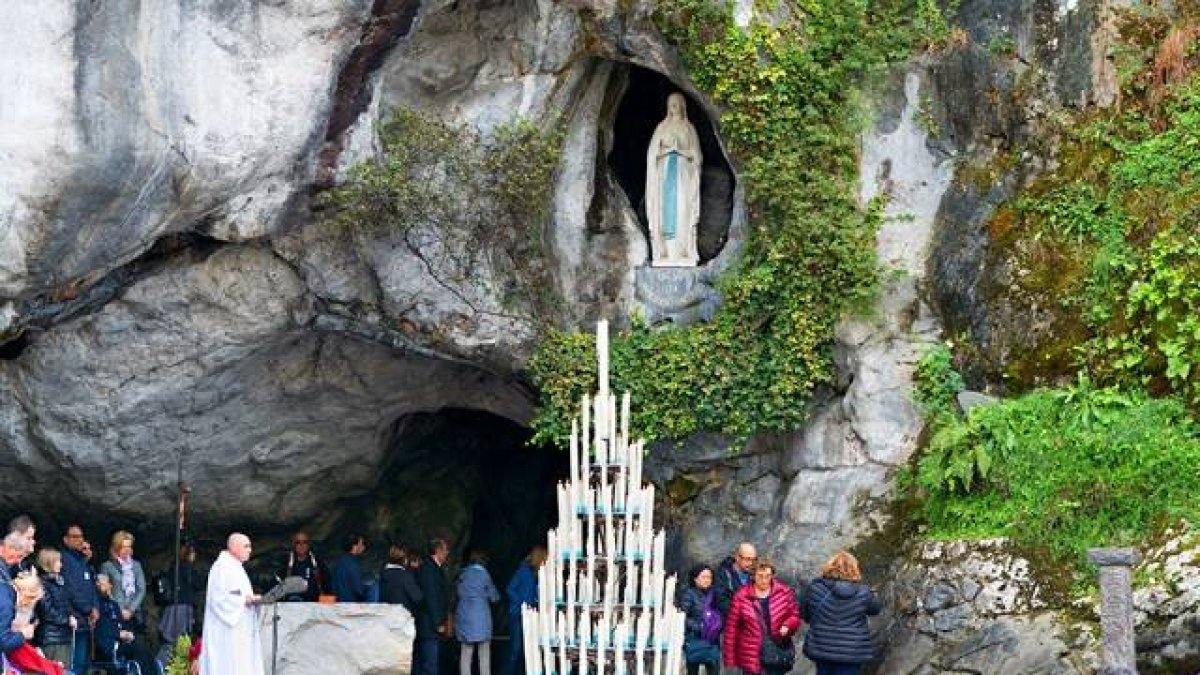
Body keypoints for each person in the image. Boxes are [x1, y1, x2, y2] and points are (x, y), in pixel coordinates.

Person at [800, 551, 881, 675]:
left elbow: (805, 614)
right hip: (851, 651)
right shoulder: (864, 592)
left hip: (822, 647)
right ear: (854, 568)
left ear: (829, 567)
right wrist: (873, 594)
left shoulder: (814, 588)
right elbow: (875, 609)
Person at [645, 91, 702, 267]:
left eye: (677, 104)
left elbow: (697, 156)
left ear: (683, 106)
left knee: (683, 210)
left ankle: (684, 251)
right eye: (671, 104)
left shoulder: (689, 128)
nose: (674, 107)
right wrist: (666, 152)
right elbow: (652, 154)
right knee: (665, 212)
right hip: (664, 177)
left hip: (683, 175)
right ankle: (666, 253)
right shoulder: (661, 128)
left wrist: (680, 151)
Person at [722, 560, 801, 675]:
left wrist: (788, 625)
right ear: (753, 576)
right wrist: (730, 661)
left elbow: (794, 615)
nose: (764, 580)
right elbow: (731, 630)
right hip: (752, 655)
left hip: (776, 651)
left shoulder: (784, 592)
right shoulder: (741, 596)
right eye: (760, 576)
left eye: (768, 576)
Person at [200, 533, 263, 675]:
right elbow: (218, 598)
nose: (250, 550)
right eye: (246, 546)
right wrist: (244, 600)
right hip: (227, 632)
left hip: (241, 630)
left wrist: (253, 600)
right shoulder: (222, 567)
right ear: (234, 547)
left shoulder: (236, 567)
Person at [95, 572, 156, 675]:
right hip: (108, 644)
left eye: (106, 584)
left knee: (144, 647)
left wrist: (128, 633)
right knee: (138, 648)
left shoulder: (114, 605)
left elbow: (122, 624)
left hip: (121, 642)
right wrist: (118, 633)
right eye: (102, 584)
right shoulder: (97, 605)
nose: (106, 587)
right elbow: (101, 627)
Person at [502, 545, 547, 675]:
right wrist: (524, 603)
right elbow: (510, 589)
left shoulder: (536, 573)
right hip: (517, 614)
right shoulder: (523, 570)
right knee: (515, 650)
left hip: (530, 615)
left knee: (526, 649)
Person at [59, 524, 98, 675]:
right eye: (74, 537)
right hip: (74, 619)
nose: (79, 540)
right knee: (73, 664)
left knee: (82, 664)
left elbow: (91, 586)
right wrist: (89, 609)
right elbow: (71, 589)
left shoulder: (82, 561)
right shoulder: (64, 559)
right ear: (66, 540)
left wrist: (95, 608)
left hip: (87, 622)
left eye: (81, 537)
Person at [455, 549, 500, 675]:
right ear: (483, 562)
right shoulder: (484, 575)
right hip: (481, 618)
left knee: (466, 652)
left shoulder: (462, 574)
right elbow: (494, 596)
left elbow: (458, 592)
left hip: (464, 616)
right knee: (484, 652)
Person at [413, 538, 451, 675]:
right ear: (438, 551)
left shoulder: (433, 568)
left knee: (429, 663)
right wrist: (438, 623)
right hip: (429, 625)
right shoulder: (429, 569)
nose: (448, 553)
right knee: (430, 665)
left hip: (430, 624)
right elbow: (431, 598)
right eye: (446, 549)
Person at [34, 547, 76, 667]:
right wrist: (67, 620)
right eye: (58, 561)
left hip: (62, 636)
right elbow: (46, 611)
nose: (61, 564)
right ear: (49, 562)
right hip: (51, 638)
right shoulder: (42, 584)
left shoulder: (58, 582)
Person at [98, 530, 148, 632]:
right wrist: (119, 610)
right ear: (116, 547)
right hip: (115, 613)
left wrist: (130, 610)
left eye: (129, 546)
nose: (127, 550)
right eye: (124, 547)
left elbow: (141, 589)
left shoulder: (136, 565)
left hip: (133, 614)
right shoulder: (107, 566)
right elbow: (105, 590)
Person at [680, 564, 721, 675]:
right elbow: (682, 617)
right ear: (695, 578)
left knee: (714, 669)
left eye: (709, 577)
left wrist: (717, 625)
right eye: (703, 577)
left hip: (712, 640)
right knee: (693, 670)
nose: (707, 580)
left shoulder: (715, 594)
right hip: (694, 639)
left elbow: (720, 612)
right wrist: (699, 627)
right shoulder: (689, 594)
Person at [276, 530, 328, 602]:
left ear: (309, 544)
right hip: (291, 605)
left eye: (304, 542)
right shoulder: (285, 563)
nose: (301, 545)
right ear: (293, 544)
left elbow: (326, 585)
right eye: (298, 542)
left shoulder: (318, 562)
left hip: (314, 605)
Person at [714, 542, 757, 618]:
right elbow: (721, 602)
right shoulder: (723, 574)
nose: (751, 563)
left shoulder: (756, 574)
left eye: (753, 559)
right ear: (737, 557)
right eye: (748, 559)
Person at [380, 543, 422, 614]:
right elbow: (417, 597)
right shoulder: (405, 576)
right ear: (404, 559)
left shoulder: (383, 573)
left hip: (386, 615)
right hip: (402, 616)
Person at [331, 533, 369, 602]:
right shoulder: (353, 564)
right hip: (350, 606)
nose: (364, 547)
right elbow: (358, 590)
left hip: (337, 604)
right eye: (362, 544)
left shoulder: (338, 561)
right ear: (354, 546)